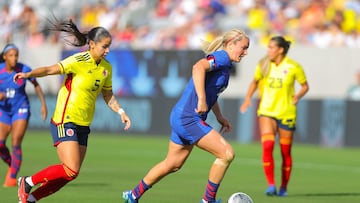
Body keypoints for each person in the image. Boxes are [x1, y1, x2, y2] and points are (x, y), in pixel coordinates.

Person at [122, 28, 250, 203]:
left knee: (172, 164)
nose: (245, 52)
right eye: (243, 47)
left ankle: (133, 195)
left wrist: (219, 116)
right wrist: (202, 99)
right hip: (188, 118)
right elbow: (198, 67)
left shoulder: (226, 66)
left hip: (182, 116)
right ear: (230, 44)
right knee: (226, 154)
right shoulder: (222, 57)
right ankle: (208, 200)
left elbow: (212, 93)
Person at [14, 19, 131, 203]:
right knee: (71, 168)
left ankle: (31, 199)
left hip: (83, 124)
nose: (107, 50)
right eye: (104, 46)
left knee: (70, 174)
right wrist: (29, 75)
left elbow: (108, 94)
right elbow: (50, 69)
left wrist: (121, 112)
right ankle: (27, 182)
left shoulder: (106, 68)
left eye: (109, 46)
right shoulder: (78, 60)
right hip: (65, 119)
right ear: (91, 44)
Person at [240, 36, 309, 197]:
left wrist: (297, 96)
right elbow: (255, 82)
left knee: (285, 152)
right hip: (266, 111)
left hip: (286, 113)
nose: (268, 50)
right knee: (268, 146)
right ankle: (271, 185)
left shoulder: (293, 66)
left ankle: (283, 187)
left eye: (271, 47)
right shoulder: (264, 64)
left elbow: (305, 86)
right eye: (268, 47)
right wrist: (248, 98)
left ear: (280, 50)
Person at [0, 44, 47, 187]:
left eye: (16, 55)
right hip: (4, 110)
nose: (14, 58)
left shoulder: (24, 69)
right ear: (4, 57)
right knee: (1, 143)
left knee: (15, 141)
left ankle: (12, 177)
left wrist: (43, 104)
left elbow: (36, 85)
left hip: (21, 108)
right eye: (11, 55)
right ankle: (12, 164)